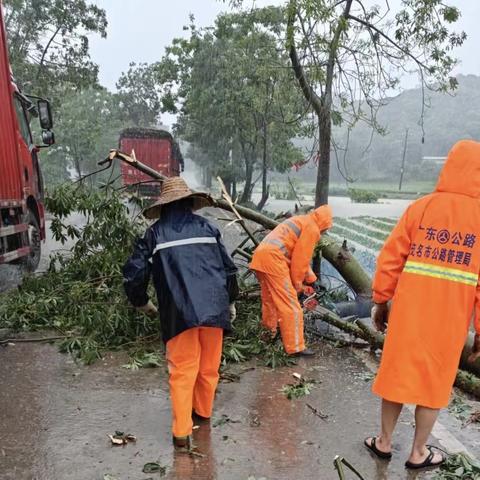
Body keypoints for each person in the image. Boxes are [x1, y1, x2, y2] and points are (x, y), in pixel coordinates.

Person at [365, 140, 480, 470]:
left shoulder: (421, 208)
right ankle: (418, 452)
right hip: (449, 323)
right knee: (432, 386)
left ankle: (384, 442)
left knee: (398, 378)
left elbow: (390, 258)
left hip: (408, 316)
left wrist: (381, 301)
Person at [123, 177, 238, 449]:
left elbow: (134, 274)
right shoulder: (209, 228)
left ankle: (182, 433)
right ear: (190, 203)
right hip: (214, 309)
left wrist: (141, 303)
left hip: (179, 314)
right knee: (209, 367)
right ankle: (203, 413)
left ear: (163, 207)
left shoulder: (154, 234)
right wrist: (230, 302)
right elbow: (229, 270)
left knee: (183, 370)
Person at [250, 205, 333, 356]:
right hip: (274, 260)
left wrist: (312, 279)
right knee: (291, 305)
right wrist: (298, 285)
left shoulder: (301, 220)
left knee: (270, 301)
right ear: (325, 224)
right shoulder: (312, 229)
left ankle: (268, 335)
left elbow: (299, 255)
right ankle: (296, 347)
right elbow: (300, 260)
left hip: (261, 258)